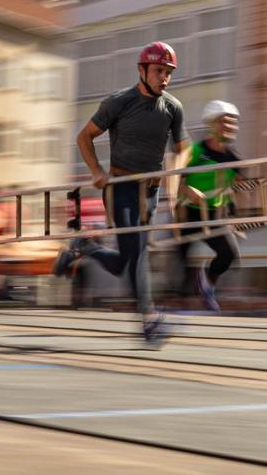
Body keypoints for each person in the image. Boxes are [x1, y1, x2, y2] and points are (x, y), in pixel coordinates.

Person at [57, 41, 188, 344]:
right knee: (139, 253)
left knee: (123, 263)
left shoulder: (172, 107)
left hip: (151, 192)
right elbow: (84, 137)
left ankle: (85, 247)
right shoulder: (119, 102)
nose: (164, 78)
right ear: (142, 70)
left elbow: (183, 148)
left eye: (168, 73)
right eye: (158, 71)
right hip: (121, 188)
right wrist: (97, 172)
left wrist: (175, 173)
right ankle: (149, 319)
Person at [177, 100, 244, 313]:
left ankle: (208, 286)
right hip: (188, 213)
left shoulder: (232, 157)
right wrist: (188, 191)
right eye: (225, 122)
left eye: (233, 123)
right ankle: (181, 304)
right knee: (182, 268)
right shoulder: (196, 151)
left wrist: (234, 209)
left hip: (213, 214)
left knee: (229, 256)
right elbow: (173, 178)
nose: (230, 127)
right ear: (211, 124)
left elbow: (239, 185)